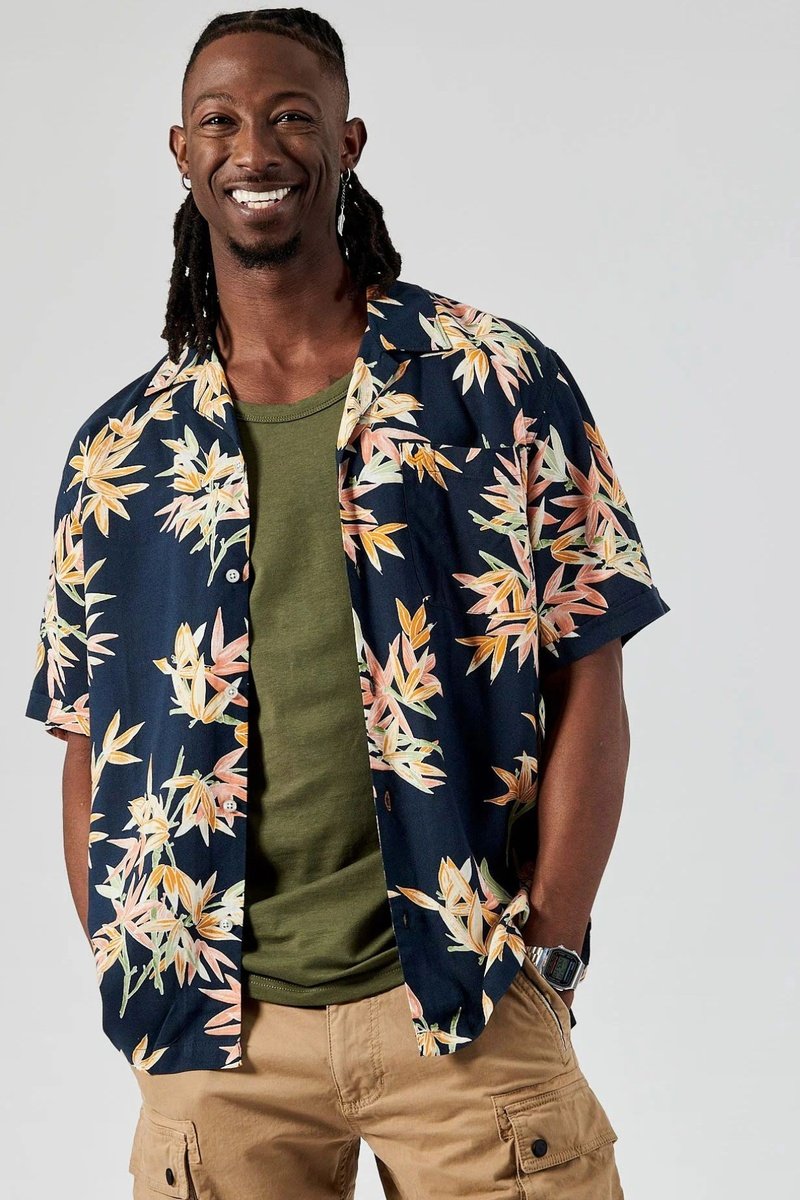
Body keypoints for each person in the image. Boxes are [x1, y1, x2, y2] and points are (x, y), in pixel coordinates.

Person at [25, 8, 670, 1198]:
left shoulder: (490, 379)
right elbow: (86, 742)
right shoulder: (121, 452)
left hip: (466, 1002)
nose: (253, 149)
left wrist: (551, 947)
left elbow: (590, 663)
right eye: (219, 121)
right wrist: (136, 968)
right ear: (181, 151)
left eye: (290, 117)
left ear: (347, 140)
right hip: (220, 1049)